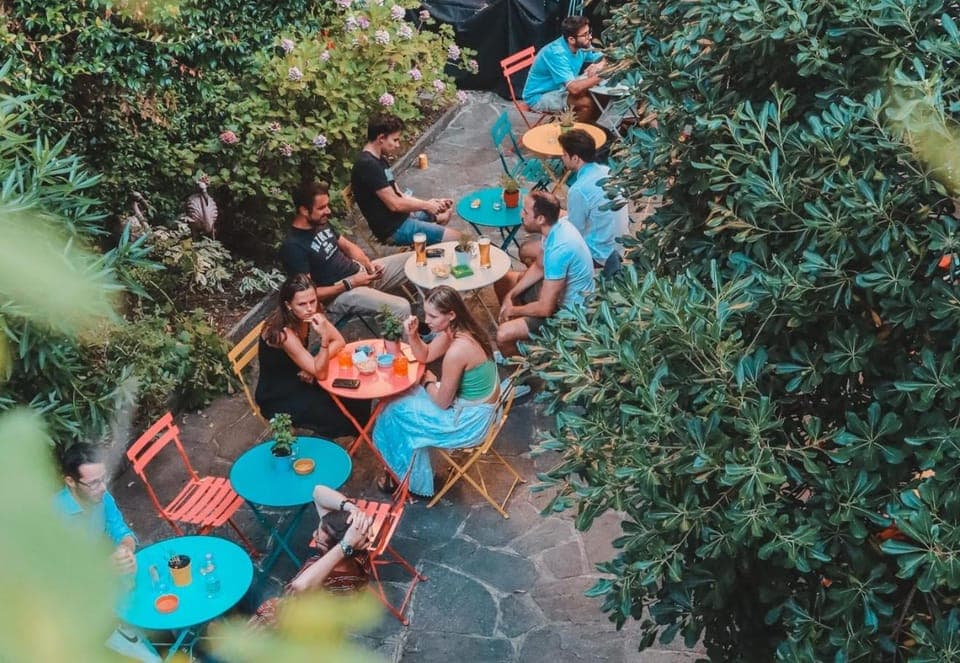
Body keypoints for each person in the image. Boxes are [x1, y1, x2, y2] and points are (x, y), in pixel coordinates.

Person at [372, 286, 500, 497]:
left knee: (392, 411)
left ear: (451, 314)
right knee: (400, 399)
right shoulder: (461, 330)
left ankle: (403, 478)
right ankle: (405, 471)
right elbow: (426, 355)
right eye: (425, 313)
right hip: (480, 408)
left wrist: (429, 381)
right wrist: (413, 336)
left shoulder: (458, 351)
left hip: (468, 423)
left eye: (432, 315)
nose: (427, 320)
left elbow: (442, 403)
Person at [55, 445, 162, 663]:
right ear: (70, 482)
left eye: (103, 479)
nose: (102, 488)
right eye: (94, 483)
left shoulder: (100, 498)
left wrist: (125, 549)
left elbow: (121, 530)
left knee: (157, 577)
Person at [279, 180, 412, 321]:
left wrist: (368, 265)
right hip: (339, 295)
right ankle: (410, 341)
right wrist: (351, 283)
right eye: (322, 207)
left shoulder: (320, 222)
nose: (328, 211)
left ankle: (435, 321)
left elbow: (348, 246)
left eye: (327, 205)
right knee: (401, 307)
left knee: (417, 259)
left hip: (360, 274)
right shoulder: (293, 247)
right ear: (304, 210)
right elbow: (310, 295)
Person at [255, 274, 369, 437]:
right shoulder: (283, 333)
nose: (309, 308)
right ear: (288, 305)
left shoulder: (309, 313)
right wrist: (323, 341)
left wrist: (313, 366)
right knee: (338, 417)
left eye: (312, 301)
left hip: (301, 376)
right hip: (278, 394)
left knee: (358, 393)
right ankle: (323, 450)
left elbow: (339, 341)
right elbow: (321, 372)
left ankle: (358, 432)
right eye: (302, 304)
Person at [249, 485, 373, 628]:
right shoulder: (358, 551)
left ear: (337, 547)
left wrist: (344, 545)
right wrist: (354, 510)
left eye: (318, 537)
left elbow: (300, 586)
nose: (314, 534)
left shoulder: (333, 583)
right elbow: (318, 492)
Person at [494, 191, 595, 356]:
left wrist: (512, 310)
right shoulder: (554, 228)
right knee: (504, 281)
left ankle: (527, 372)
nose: (522, 214)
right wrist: (510, 295)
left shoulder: (559, 248)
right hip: (554, 296)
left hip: (567, 314)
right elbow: (539, 266)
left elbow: (545, 308)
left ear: (540, 219)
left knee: (502, 335)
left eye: (526, 212)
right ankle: (526, 338)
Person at [351, 113, 460, 246]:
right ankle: (432, 247)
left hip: (403, 217)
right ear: (381, 138)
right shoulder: (367, 165)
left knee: (445, 211)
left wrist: (430, 203)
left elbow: (400, 195)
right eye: (395, 140)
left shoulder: (380, 159)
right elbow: (395, 204)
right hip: (393, 229)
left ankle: (429, 249)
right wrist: (426, 206)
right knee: (459, 239)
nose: (398, 145)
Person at [557, 128, 630, 274]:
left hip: (600, 254)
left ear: (575, 158)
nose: (562, 157)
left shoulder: (578, 189)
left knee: (535, 249)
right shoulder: (606, 171)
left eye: (564, 154)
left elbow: (574, 231)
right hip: (620, 245)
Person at [522, 16, 605, 123]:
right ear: (571, 39)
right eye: (585, 35)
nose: (589, 37)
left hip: (561, 88)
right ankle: (574, 137)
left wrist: (600, 64)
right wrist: (602, 75)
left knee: (600, 95)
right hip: (539, 96)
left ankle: (588, 126)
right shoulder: (557, 54)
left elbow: (605, 56)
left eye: (589, 32)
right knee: (586, 103)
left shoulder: (581, 45)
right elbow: (574, 88)